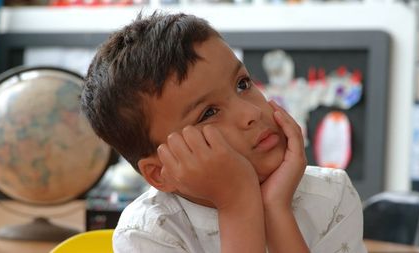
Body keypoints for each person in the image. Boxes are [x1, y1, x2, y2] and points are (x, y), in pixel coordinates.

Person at [81, 12, 367, 253]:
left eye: (242, 84)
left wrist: (275, 209)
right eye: (208, 113)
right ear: (161, 172)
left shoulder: (331, 197)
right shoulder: (148, 234)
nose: (252, 113)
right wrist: (238, 204)